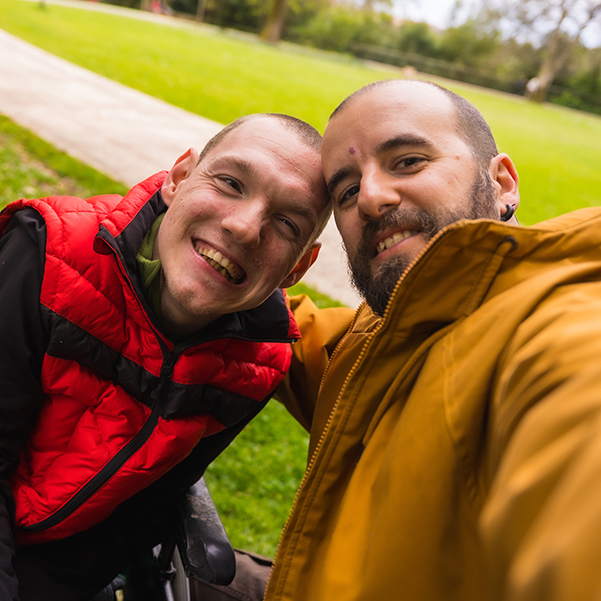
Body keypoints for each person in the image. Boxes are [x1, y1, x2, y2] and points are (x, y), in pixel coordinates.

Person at [261, 79, 601, 601]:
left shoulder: (557, 333)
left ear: (503, 184)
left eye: (409, 161)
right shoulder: (391, 327)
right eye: (346, 190)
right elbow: (294, 336)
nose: (371, 199)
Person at [0, 112, 330, 601]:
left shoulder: (256, 368)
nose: (243, 227)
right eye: (231, 182)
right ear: (178, 178)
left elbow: (142, 514)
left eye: (285, 222)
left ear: (298, 266)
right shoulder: (48, 255)